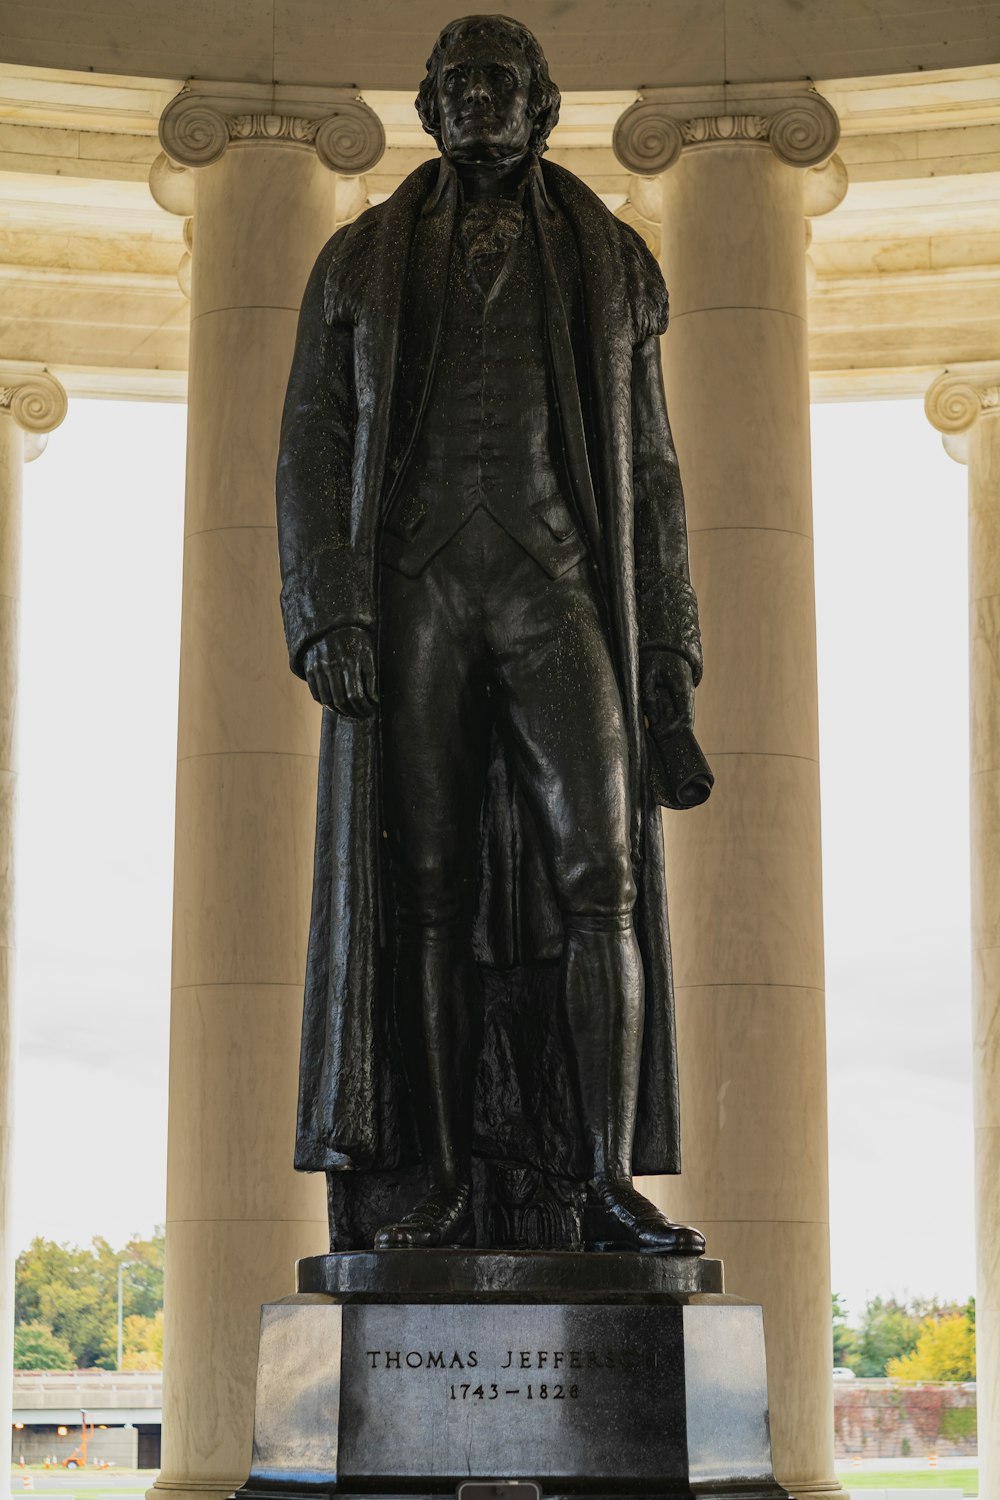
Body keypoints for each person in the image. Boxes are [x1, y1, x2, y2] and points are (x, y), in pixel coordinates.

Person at [277, 14, 708, 1254]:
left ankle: (601, 1181)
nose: (476, 100)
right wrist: (327, 610)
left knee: (601, 881)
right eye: (455, 83)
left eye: (498, 82)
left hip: (557, 588)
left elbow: (651, 469)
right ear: (426, 106)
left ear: (539, 104)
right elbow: (312, 441)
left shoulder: (614, 263)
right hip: (413, 593)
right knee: (425, 897)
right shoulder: (358, 260)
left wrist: (670, 658)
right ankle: (449, 1180)